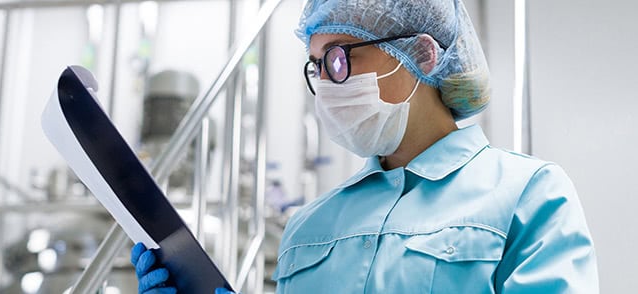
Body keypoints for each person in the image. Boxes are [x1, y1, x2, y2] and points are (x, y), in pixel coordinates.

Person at [131, 0, 599, 293]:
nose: (328, 86)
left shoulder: (528, 194)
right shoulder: (307, 228)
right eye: (316, 67)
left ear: (420, 53)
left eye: (338, 58)